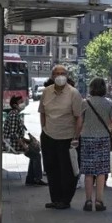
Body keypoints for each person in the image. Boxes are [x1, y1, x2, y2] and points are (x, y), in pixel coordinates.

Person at [38, 65, 84, 210]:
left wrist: (76, 137)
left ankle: (65, 200)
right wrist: (44, 129)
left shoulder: (73, 93)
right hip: (49, 135)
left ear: (67, 75)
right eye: (56, 73)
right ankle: (55, 199)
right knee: (51, 169)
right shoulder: (46, 92)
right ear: (52, 76)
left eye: (62, 73)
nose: (59, 76)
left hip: (68, 138)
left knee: (68, 170)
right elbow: (42, 112)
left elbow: (79, 117)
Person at [78, 78, 112, 212]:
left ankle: (88, 201)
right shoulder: (109, 104)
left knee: (88, 172)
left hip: (87, 140)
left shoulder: (85, 103)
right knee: (101, 172)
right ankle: (99, 201)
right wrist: (110, 131)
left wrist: (75, 136)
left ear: (91, 88)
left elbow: (79, 122)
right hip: (103, 140)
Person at [3, 95, 45, 186]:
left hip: (14, 141)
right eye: (20, 102)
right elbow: (14, 134)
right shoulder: (14, 115)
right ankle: (36, 179)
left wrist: (29, 141)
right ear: (15, 105)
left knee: (34, 154)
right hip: (12, 143)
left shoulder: (15, 114)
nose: (22, 104)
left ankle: (31, 179)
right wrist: (24, 146)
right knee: (36, 155)